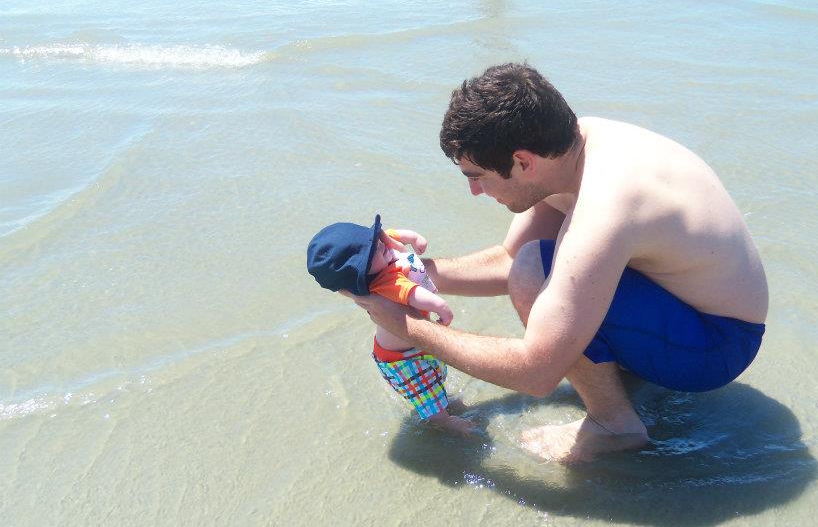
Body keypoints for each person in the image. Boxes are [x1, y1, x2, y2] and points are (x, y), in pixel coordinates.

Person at [346, 63, 769, 462]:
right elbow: (507, 260)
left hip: (716, 347)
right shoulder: (568, 146)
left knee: (537, 271)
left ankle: (614, 426)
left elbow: (537, 372)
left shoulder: (609, 203)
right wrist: (399, 271)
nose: (474, 190)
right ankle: (622, 376)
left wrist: (402, 324)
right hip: (680, 305)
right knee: (532, 263)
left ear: (523, 162)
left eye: (475, 175)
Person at [307, 215, 473, 433]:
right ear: (362, 273)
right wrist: (443, 309)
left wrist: (415, 238)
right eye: (371, 251)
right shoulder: (385, 282)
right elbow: (416, 295)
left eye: (375, 239)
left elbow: (397, 235)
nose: (380, 244)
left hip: (413, 347)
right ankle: (443, 422)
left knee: (436, 379)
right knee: (426, 394)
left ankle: (441, 402)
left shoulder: (381, 248)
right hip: (403, 360)